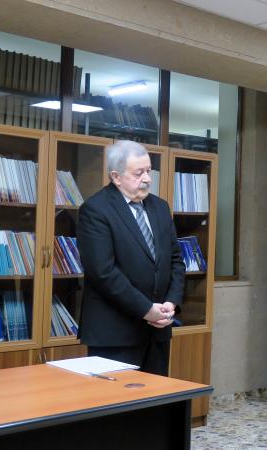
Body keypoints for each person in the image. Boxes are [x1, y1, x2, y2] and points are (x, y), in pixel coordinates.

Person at [77, 140, 185, 376]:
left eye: (148, 171)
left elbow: (176, 260)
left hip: (158, 331)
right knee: (117, 400)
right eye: (138, 173)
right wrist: (147, 309)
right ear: (116, 177)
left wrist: (171, 303)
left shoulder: (160, 207)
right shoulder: (95, 210)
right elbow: (103, 272)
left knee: (157, 398)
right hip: (115, 335)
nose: (147, 179)